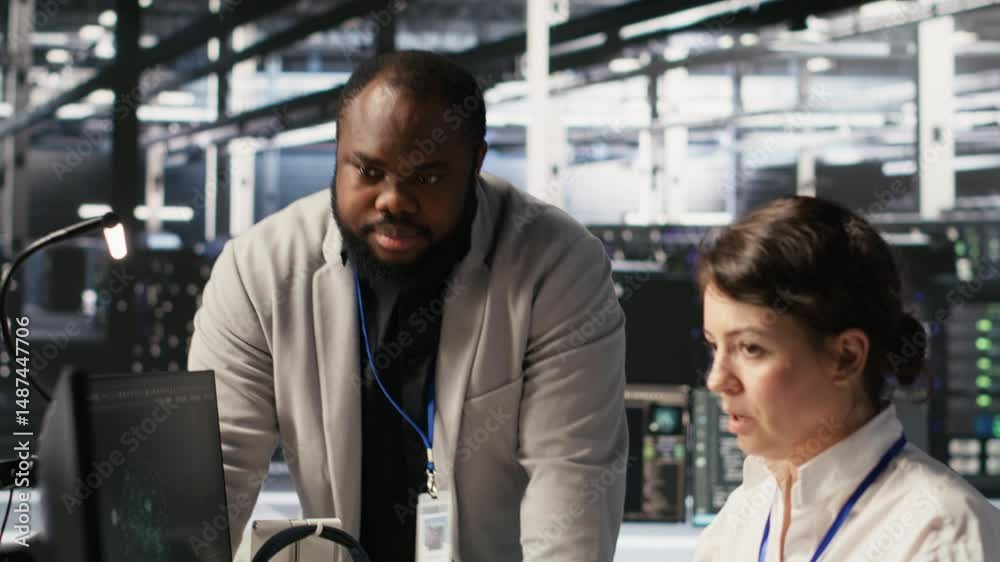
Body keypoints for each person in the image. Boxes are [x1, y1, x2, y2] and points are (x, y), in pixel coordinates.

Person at [188, 49, 628, 561]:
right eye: (369, 170)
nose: (394, 199)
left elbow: (571, 483)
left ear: (476, 164)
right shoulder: (258, 271)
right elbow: (212, 481)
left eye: (428, 177)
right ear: (337, 150)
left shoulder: (557, 266)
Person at [693, 195, 1000, 561]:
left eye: (750, 348)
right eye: (715, 346)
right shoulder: (743, 516)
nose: (717, 380)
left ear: (846, 357)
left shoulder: (940, 536)